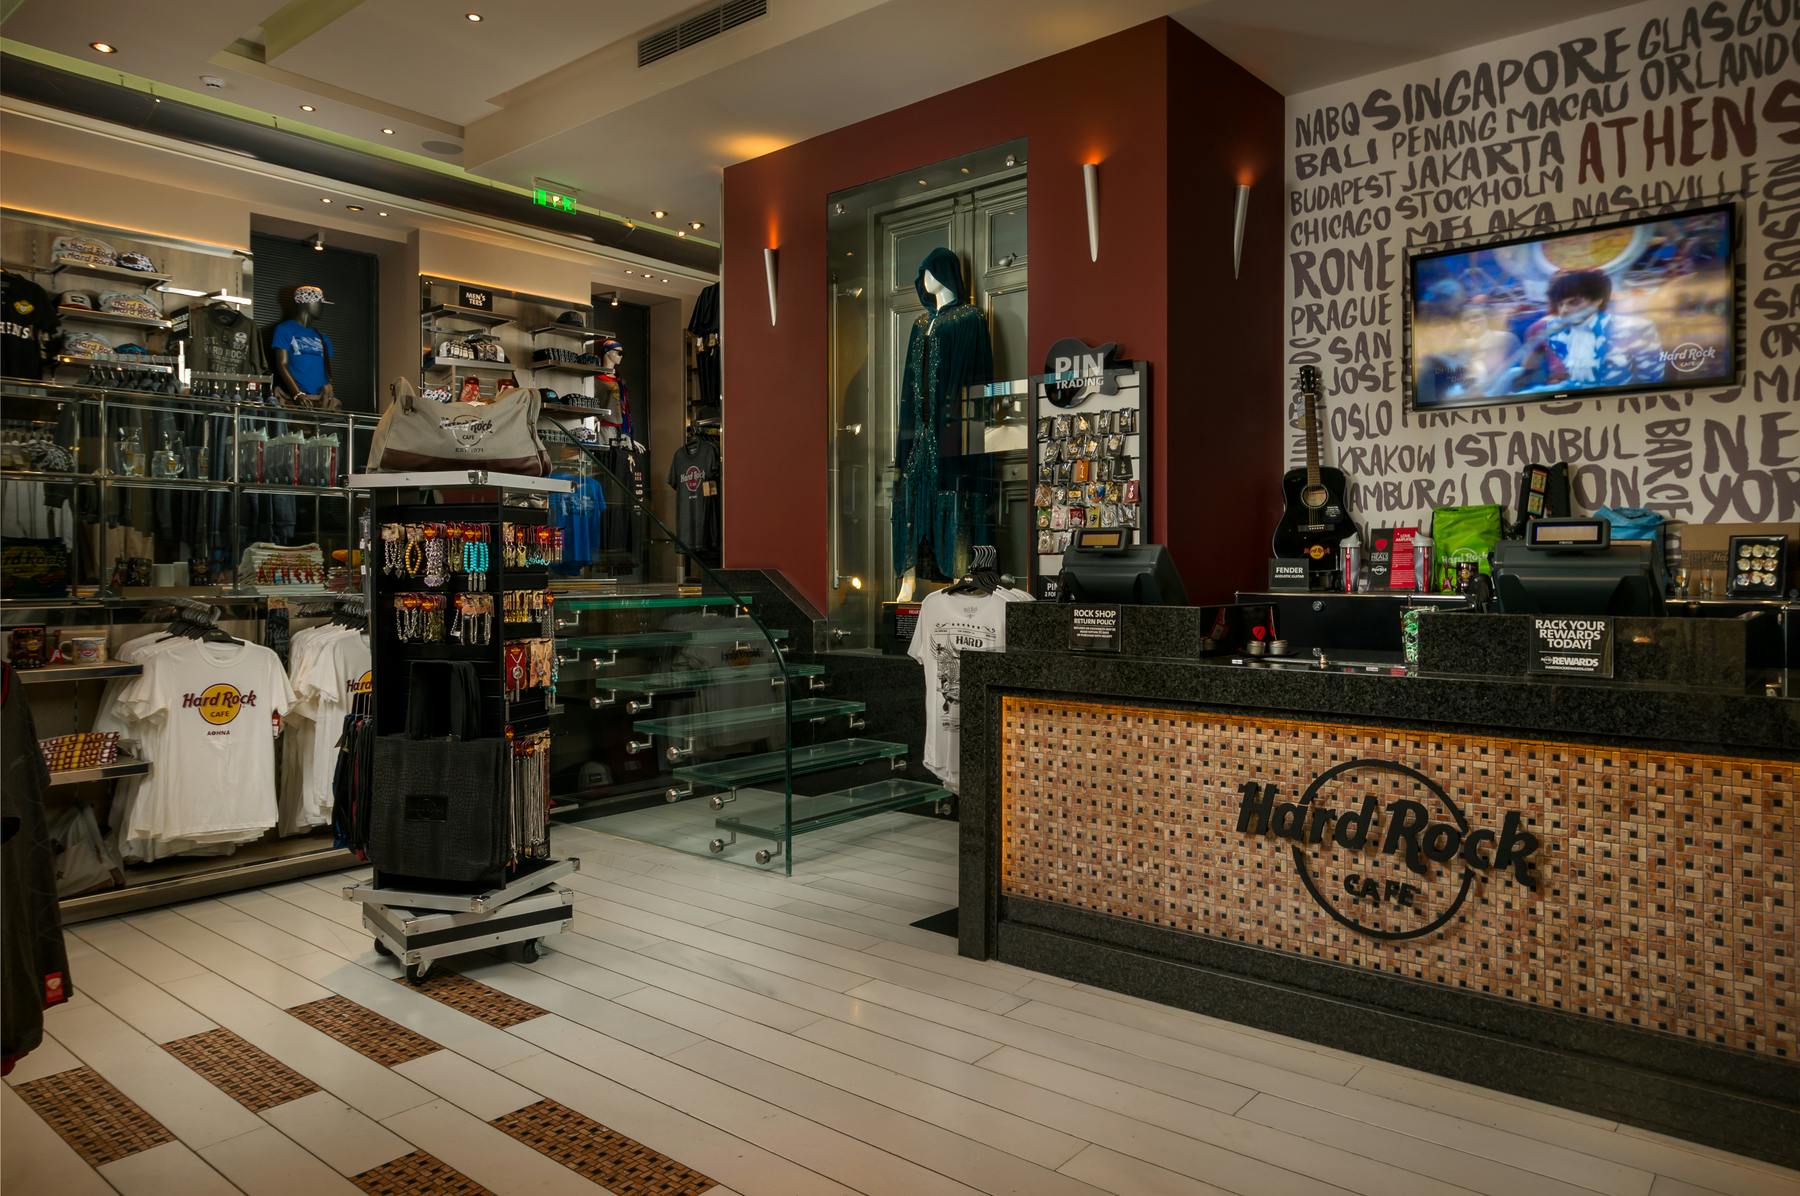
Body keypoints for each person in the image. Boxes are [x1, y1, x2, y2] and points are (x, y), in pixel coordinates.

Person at [1498, 268, 1664, 394]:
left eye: (1574, 302)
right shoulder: (1556, 332)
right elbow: (1575, 385)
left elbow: (1651, 382)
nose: (1564, 310)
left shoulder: (1636, 327)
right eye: (1560, 304)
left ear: (1597, 300)